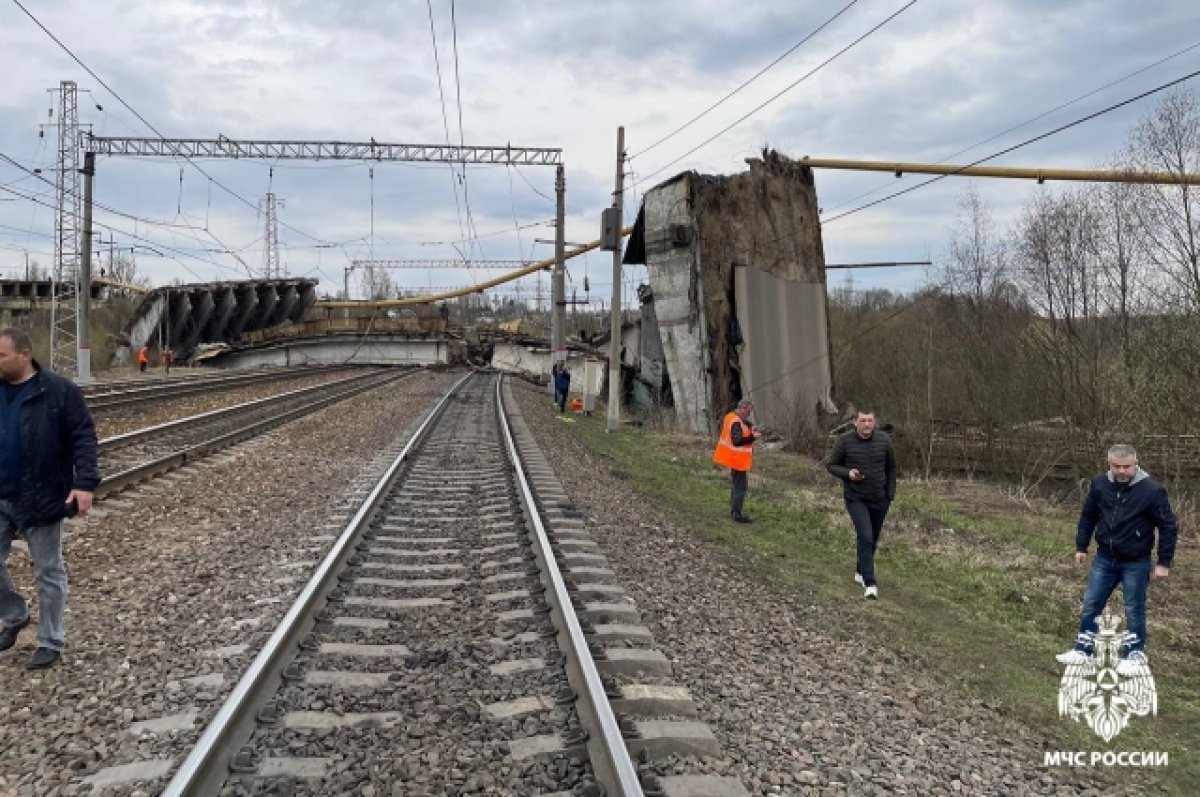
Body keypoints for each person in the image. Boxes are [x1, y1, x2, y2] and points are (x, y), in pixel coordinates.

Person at [0, 327, 99, 669]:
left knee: (48, 571)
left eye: (2, 356)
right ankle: (15, 616)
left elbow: (83, 437)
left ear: (24, 354)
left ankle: (50, 640)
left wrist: (84, 483)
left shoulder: (58, 391)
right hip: (1, 494)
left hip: (40, 495)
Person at [1056, 444, 1177, 676]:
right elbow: (1089, 514)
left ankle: (1133, 656)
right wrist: (1081, 546)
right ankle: (1083, 651)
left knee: (1134, 609)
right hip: (1104, 558)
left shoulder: (1152, 491)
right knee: (1092, 604)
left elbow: (1168, 526)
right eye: (1116, 466)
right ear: (1109, 463)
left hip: (1136, 561)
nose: (1121, 471)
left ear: (1135, 463)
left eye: (1126, 467)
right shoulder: (1100, 483)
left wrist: (1163, 562)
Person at [825, 409, 896, 600]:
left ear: (875, 422)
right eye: (863, 420)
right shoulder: (845, 441)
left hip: (880, 498)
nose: (867, 425)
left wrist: (890, 495)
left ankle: (860, 570)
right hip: (856, 498)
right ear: (855, 422)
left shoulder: (884, 440)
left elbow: (892, 468)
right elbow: (831, 465)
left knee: (872, 539)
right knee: (865, 536)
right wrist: (848, 474)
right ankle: (870, 583)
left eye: (870, 421)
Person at [712, 398, 762, 523]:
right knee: (741, 487)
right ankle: (737, 513)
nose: (748, 414)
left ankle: (734, 510)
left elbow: (743, 423)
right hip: (737, 459)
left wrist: (751, 426)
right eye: (748, 411)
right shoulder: (735, 422)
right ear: (742, 409)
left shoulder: (731, 416)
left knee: (736, 485)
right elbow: (737, 441)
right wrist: (752, 437)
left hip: (733, 457)